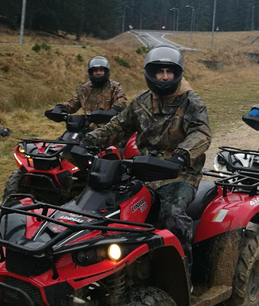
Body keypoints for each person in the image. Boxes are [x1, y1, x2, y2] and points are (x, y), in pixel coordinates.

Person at [84, 46, 211, 267]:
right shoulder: (140, 102)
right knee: (104, 205)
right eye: (159, 71)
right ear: (150, 73)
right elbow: (118, 125)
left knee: (172, 215)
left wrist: (181, 156)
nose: (164, 76)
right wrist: (89, 140)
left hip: (179, 174)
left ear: (177, 73)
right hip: (142, 170)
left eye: (169, 72)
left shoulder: (190, 101)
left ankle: (181, 271)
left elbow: (201, 132)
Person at [54, 56, 128, 119]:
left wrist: (113, 111)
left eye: (101, 70)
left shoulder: (115, 87)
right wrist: (60, 108)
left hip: (110, 126)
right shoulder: (83, 89)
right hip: (88, 126)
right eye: (95, 70)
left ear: (106, 71)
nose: (98, 73)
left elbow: (122, 101)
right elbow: (72, 104)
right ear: (91, 72)